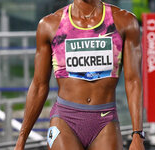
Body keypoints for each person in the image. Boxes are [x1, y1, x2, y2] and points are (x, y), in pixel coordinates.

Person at [14, 0, 145, 150]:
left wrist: (138, 134)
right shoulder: (49, 24)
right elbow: (39, 85)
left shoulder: (125, 21)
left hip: (105, 119)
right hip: (65, 119)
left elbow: (133, 81)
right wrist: (21, 139)